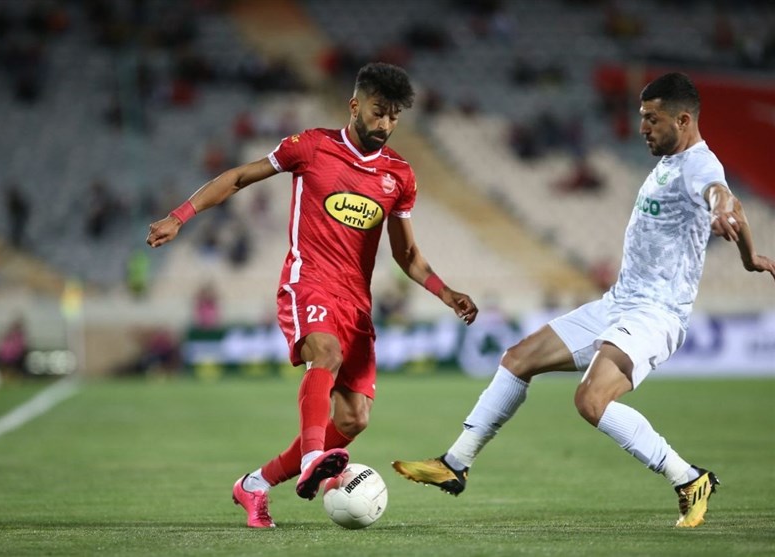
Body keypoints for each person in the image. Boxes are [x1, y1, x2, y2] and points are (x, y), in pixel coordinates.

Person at [392, 72, 775, 528]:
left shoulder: (699, 165)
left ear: (684, 120)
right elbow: (734, 210)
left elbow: (723, 196)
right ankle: (455, 464)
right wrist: (749, 258)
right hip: (618, 303)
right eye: (642, 117)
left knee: (591, 400)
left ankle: (689, 478)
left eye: (652, 119)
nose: (642, 128)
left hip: (655, 315)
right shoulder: (670, 163)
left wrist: (722, 207)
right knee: (517, 359)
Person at [146, 62, 479, 528]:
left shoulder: (399, 175)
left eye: (394, 116)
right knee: (325, 353)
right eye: (378, 111)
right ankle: (312, 461)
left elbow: (407, 254)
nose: (385, 124)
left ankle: (255, 484)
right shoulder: (311, 147)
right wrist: (180, 216)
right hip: (308, 282)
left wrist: (446, 292)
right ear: (354, 106)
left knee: (355, 418)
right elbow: (239, 177)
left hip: (356, 304)